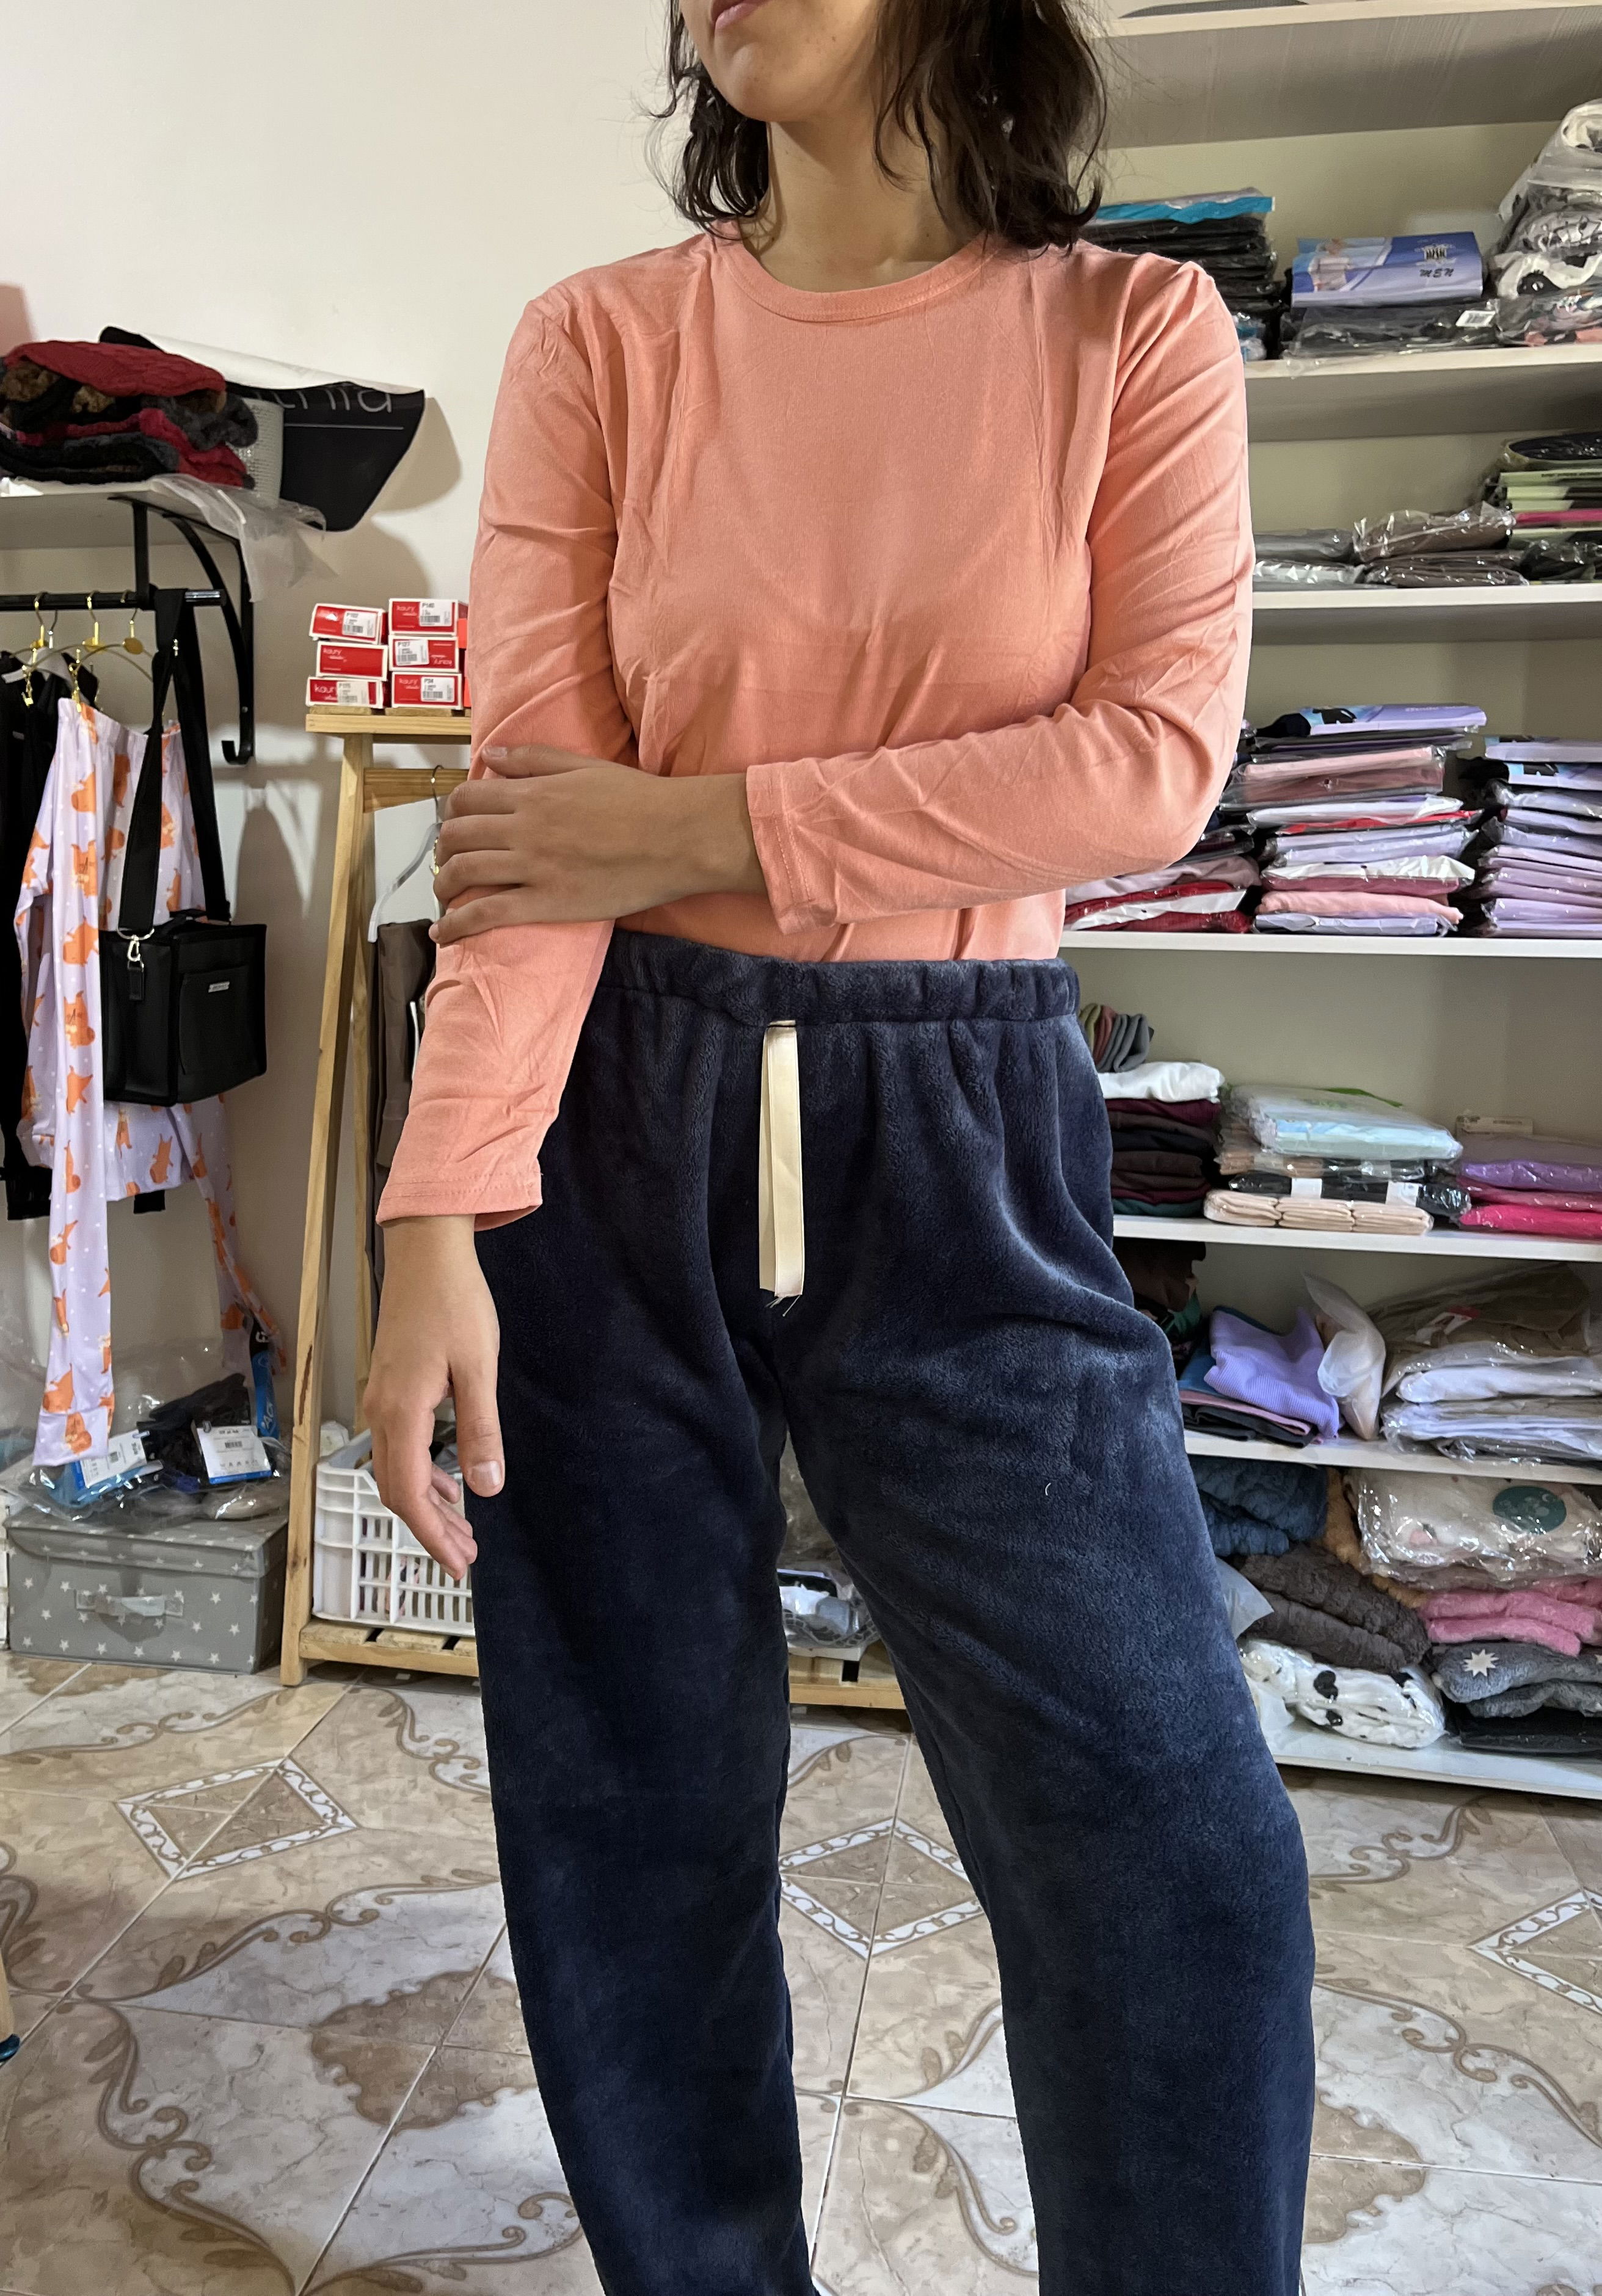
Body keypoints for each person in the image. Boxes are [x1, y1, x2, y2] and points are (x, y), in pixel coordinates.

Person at [364, 1, 1316, 2289]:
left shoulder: (1131, 330)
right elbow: (532, 834)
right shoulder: (605, 340)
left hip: (958, 1108)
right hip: (610, 1115)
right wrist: (438, 1210)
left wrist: (697, 826)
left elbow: (1147, 763)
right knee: (631, 1804)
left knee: (1163, 1826)